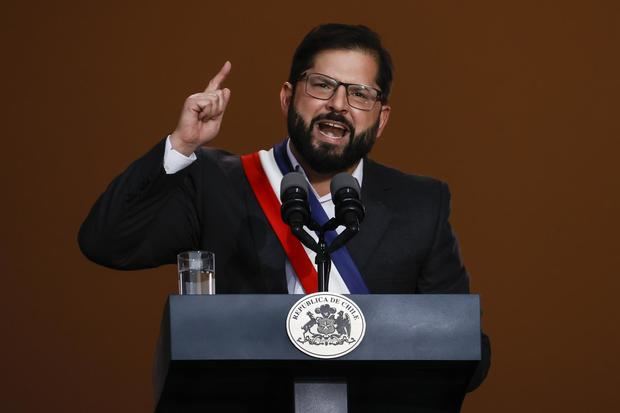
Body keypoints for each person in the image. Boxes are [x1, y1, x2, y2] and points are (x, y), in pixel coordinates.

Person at [78, 23, 489, 390]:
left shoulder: (421, 205)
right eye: (322, 85)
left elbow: (466, 350)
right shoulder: (216, 183)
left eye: (360, 94)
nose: (339, 105)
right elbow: (106, 240)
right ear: (288, 97)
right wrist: (181, 145)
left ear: (380, 120)